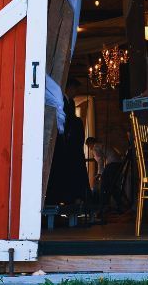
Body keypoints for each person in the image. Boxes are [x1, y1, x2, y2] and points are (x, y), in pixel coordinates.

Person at [45, 78, 91, 209]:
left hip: (72, 144)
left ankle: (76, 198)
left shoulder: (70, 102)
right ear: (69, 88)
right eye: (75, 89)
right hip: (63, 142)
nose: (76, 92)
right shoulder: (62, 101)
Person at [86, 136, 125, 211]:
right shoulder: (101, 145)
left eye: (88, 145)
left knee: (104, 184)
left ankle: (102, 206)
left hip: (112, 163)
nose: (89, 147)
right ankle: (119, 205)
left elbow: (100, 161)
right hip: (117, 163)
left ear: (90, 143)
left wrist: (99, 174)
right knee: (111, 185)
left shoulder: (95, 147)